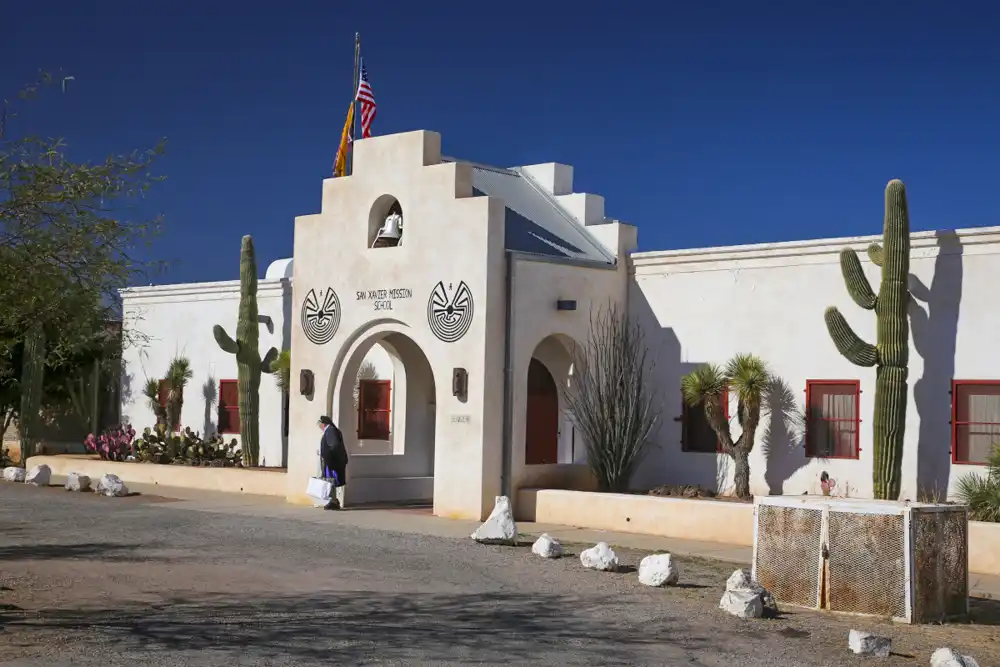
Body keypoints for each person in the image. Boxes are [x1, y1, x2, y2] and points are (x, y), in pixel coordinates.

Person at [318, 416, 348, 509]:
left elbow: (333, 445)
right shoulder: (331, 430)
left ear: (323, 424)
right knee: (331, 480)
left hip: (332, 462)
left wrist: (328, 456)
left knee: (331, 480)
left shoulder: (330, 431)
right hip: (332, 461)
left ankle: (333, 501)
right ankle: (333, 500)